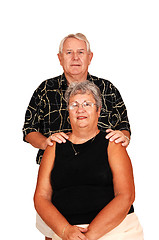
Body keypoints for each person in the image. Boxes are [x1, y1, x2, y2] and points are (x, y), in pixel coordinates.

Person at [34, 81, 144, 240]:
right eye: (74, 105)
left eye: (87, 104)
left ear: (98, 110)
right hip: (68, 232)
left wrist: (89, 235)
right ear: (68, 111)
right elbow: (41, 197)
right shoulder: (54, 146)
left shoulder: (113, 144)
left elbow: (126, 195)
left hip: (113, 230)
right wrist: (65, 231)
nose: (80, 109)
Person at [23, 33, 131, 166]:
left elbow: (123, 126)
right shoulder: (45, 89)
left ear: (89, 57)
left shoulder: (108, 89)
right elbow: (29, 129)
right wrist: (45, 144)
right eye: (69, 52)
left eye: (81, 52)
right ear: (60, 58)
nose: (75, 58)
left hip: (102, 168)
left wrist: (123, 137)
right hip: (56, 167)